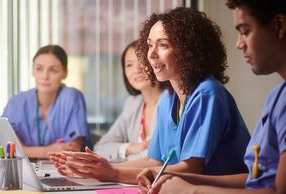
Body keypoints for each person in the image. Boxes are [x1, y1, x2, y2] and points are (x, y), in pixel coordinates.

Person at [49, 7, 250, 184]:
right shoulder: (168, 99)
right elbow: (153, 161)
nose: (151, 54)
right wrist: (94, 170)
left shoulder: (207, 94)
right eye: (149, 44)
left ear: (189, 50)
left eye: (163, 45)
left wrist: (112, 173)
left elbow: (190, 168)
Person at [137, 1, 286, 194]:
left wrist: (190, 190)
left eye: (245, 31)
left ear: (279, 26)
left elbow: (278, 190)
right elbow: (253, 180)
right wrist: (176, 179)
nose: (239, 44)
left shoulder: (208, 93)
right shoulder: (276, 97)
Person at [0, 45, 90, 159]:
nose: (45, 76)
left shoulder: (72, 98)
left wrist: (22, 150)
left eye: (53, 70)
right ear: (32, 71)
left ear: (65, 73)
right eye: (39, 68)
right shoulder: (17, 102)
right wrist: (48, 151)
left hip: (64, 171)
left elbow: (73, 150)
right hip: (24, 172)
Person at [94, 40, 163, 162]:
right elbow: (100, 147)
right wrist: (129, 148)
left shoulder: (171, 101)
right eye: (129, 65)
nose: (137, 70)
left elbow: (158, 157)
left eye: (143, 62)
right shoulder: (133, 103)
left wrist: (122, 160)